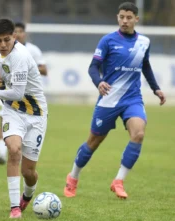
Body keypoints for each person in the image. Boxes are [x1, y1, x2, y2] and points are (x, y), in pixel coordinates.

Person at [64, 2, 166, 199]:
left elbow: (145, 66)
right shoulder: (108, 40)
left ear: (136, 19)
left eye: (129, 17)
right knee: (92, 143)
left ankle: (118, 181)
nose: (125, 21)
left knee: (138, 134)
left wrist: (156, 88)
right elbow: (93, 67)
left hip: (132, 99)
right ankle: (73, 177)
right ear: (117, 18)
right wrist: (99, 82)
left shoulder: (144, 42)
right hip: (108, 99)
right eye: (121, 17)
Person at [0, 18, 48, 218]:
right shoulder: (4, 53)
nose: (3, 45)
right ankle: (15, 207)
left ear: (15, 36)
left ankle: (28, 194)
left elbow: (16, 92)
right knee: (13, 150)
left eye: (7, 40)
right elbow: (7, 71)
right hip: (13, 111)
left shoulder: (21, 55)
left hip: (36, 114)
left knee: (29, 172)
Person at [0, 21, 48, 165]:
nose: (18, 34)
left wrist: (26, 67)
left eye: (20, 31)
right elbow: (0, 69)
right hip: (10, 94)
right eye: (15, 31)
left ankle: (23, 156)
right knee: (3, 124)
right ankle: (2, 155)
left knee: (25, 138)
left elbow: (44, 70)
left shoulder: (32, 50)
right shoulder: (2, 49)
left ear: (24, 33)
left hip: (29, 99)